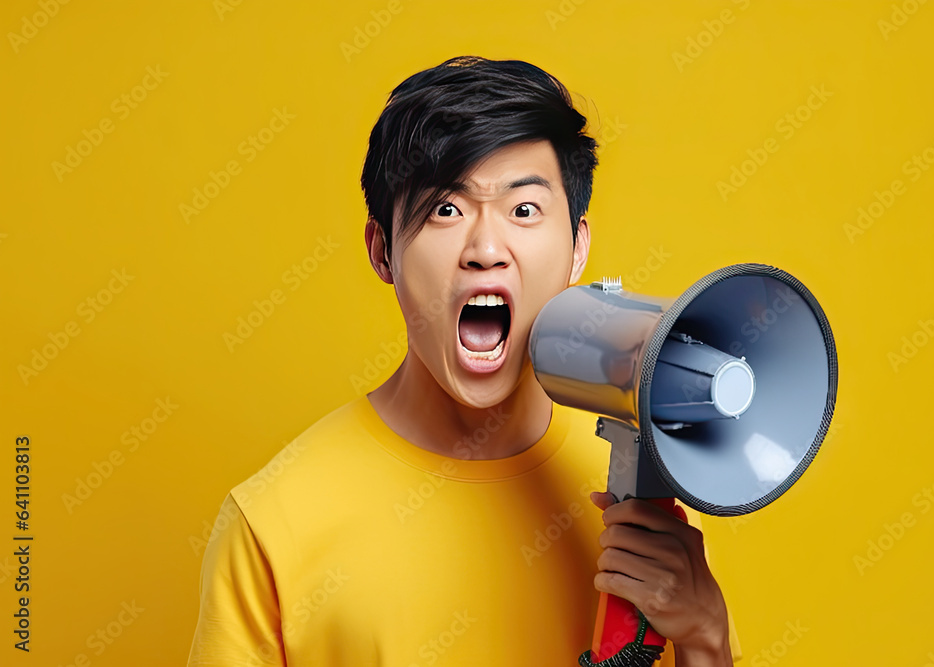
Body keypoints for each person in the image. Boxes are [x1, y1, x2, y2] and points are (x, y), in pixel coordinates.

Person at [187, 55, 742, 666]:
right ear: (382, 252)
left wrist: (704, 635)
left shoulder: (639, 477)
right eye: (445, 209)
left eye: (523, 210)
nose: (484, 248)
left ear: (578, 248)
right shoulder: (272, 522)